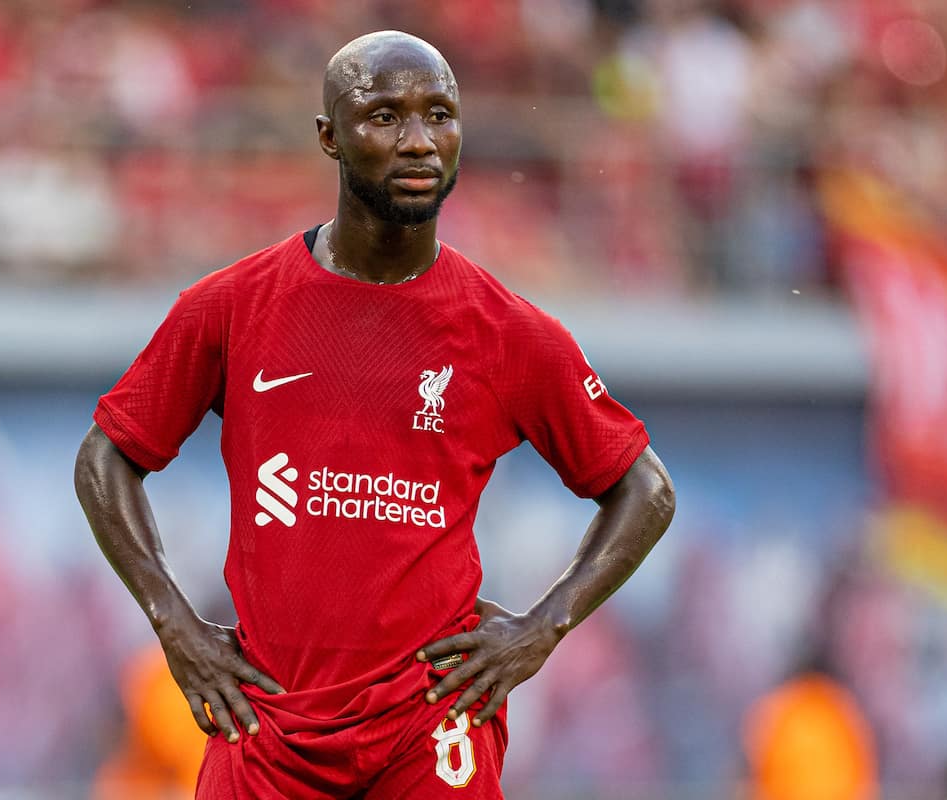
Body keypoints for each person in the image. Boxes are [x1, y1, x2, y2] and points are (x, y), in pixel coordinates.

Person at [75, 30, 675, 800]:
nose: (420, 141)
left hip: (429, 721)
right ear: (329, 136)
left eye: (440, 115)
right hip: (267, 723)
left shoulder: (509, 332)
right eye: (385, 117)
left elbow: (644, 490)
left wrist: (540, 629)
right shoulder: (232, 307)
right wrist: (174, 624)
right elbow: (107, 455)